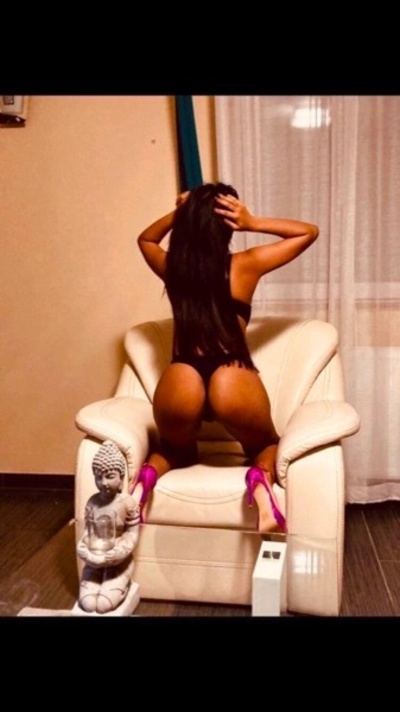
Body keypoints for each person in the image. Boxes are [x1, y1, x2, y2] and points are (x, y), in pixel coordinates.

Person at [129, 183, 319, 533]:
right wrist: (252, 222)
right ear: (227, 226)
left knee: (174, 451)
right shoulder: (246, 265)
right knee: (265, 445)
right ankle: (260, 487)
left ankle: (141, 486)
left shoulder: (173, 268)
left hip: (182, 374)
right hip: (231, 374)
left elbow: (146, 240)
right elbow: (308, 232)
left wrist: (181, 213)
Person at [77, 439, 140, 613]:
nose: (104, 482)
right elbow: (87, 533)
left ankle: (123, 585)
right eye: (99, 476)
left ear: (121, 477)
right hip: (95, 560)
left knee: (103, 605)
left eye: (110, 476)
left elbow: (132, 534)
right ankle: (98, 581)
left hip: (119, 562)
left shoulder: (128, 503)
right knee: (88, 604)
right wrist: (82, 548)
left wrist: (119, 552)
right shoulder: (92, 502)